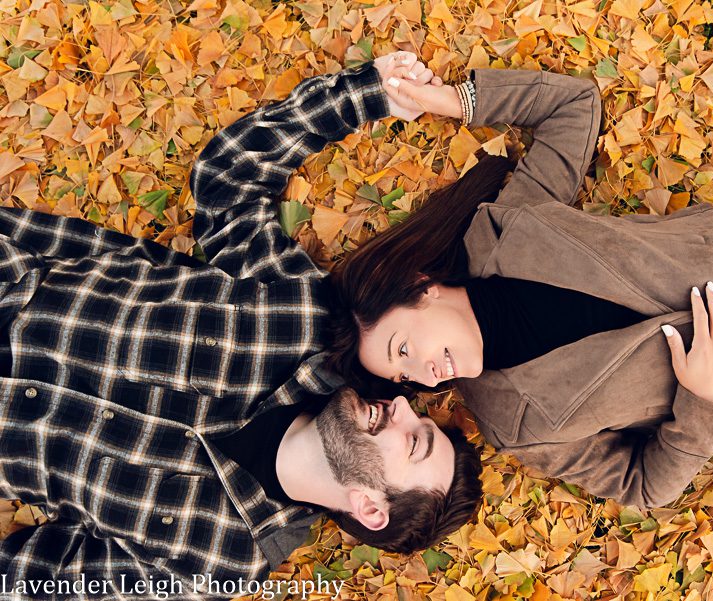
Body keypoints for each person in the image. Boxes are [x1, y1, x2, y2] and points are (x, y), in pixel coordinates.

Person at [0, 53, 482, 599]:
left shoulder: (214, 561)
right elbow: (227, 185)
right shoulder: (309, 323)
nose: (401, 406)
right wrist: (370, 96)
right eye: (419, 417)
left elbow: (32, 581)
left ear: (370, 507)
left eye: (413, 442)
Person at [328, 63, 713, 510]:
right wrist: (702, 402)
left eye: (404, 349)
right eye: (404, 377)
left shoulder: (505, 224)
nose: (427, 376)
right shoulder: (514, 427)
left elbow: (574, 106)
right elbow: (645, 486)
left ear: (421, 287)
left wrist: (453, 100)